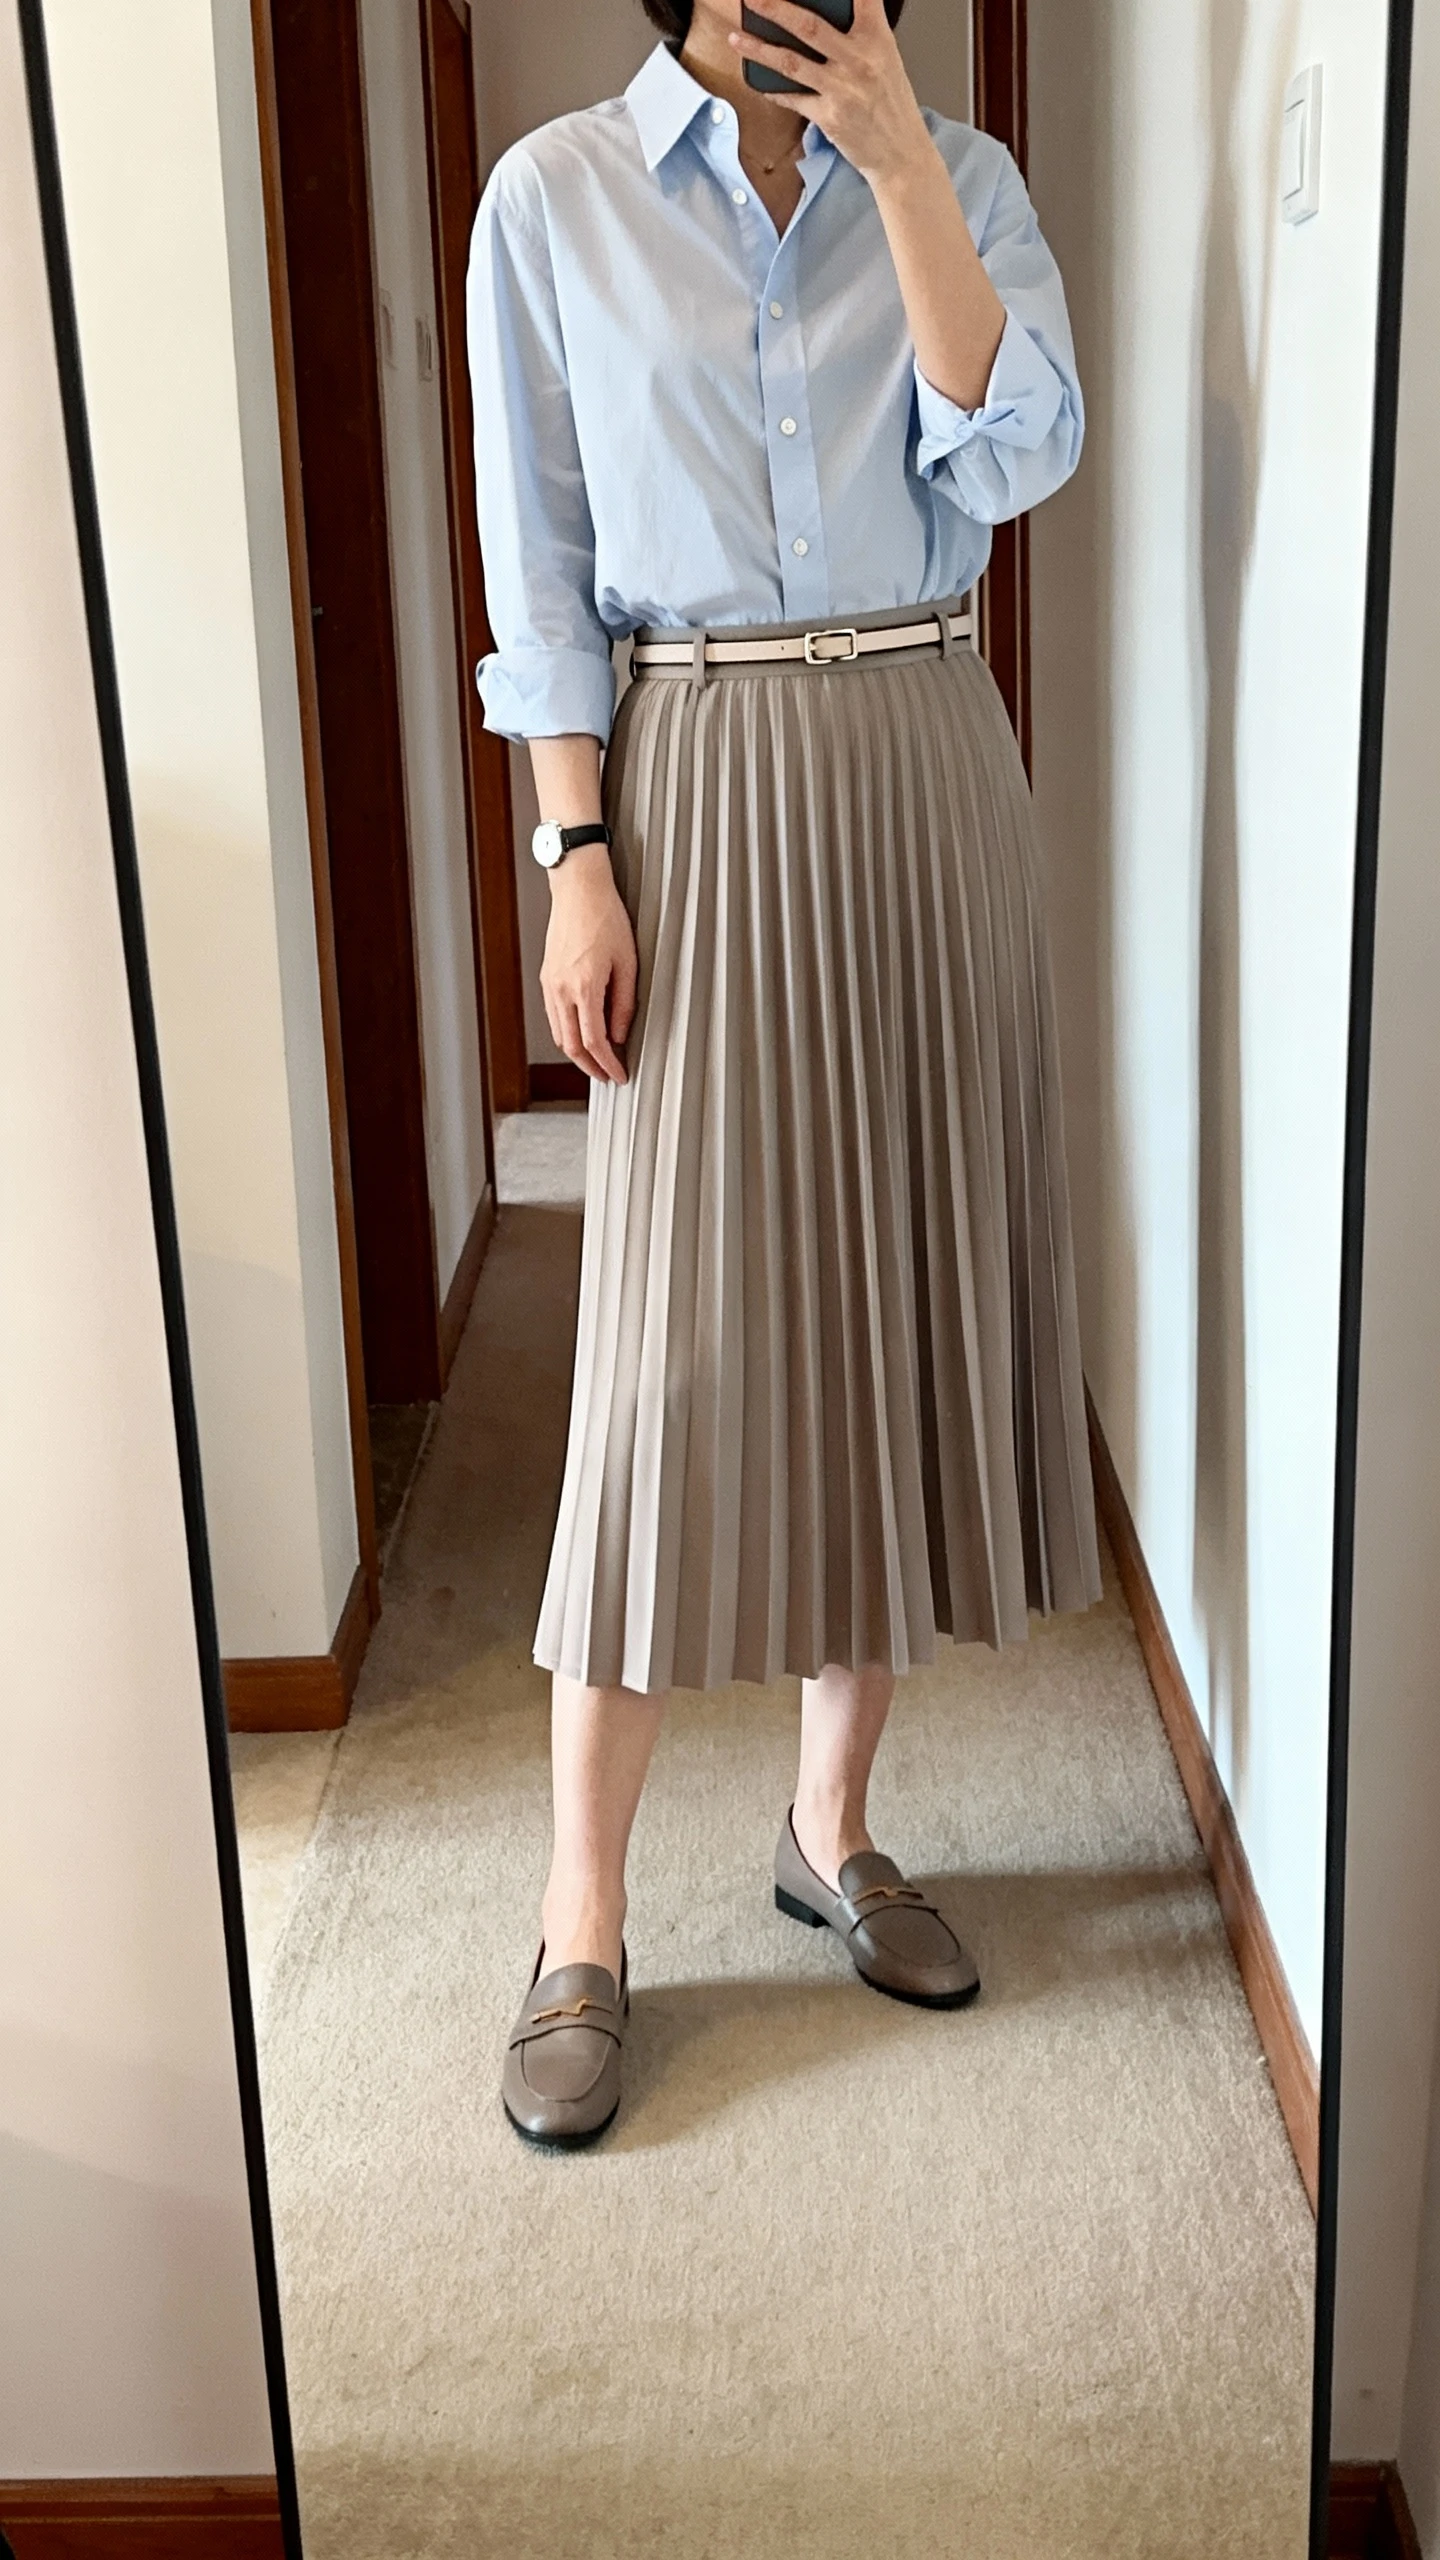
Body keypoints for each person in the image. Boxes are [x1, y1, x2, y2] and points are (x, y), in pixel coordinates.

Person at [468, 0, 1101, 2149]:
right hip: (697, 773)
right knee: (667, 1365)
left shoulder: (972, 175)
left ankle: (831, 1823)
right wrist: (574, 858)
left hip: (928, 759)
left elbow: (1013, 457)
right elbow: (541, 575)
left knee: (894, 1319)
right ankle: (580, 1912)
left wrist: (911, 171)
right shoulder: (551, 200)